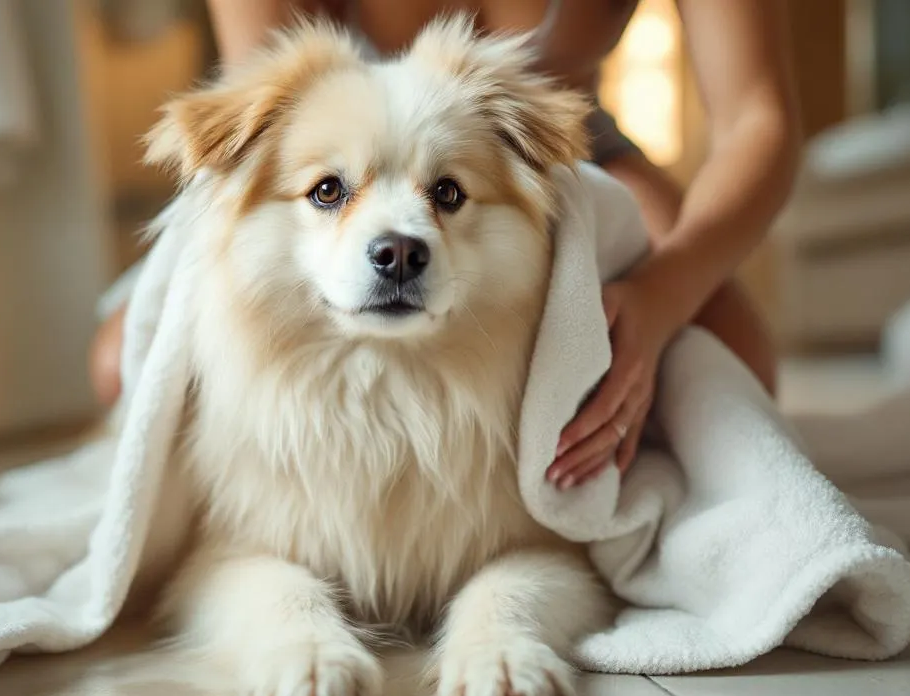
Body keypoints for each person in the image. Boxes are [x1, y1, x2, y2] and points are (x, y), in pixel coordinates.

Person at [89, 0, 800, 488]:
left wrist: (664, 293)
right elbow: (268, 131)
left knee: (733, 366)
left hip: (555, 142)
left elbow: (757, 119)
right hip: (338, 159)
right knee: (123, 363)